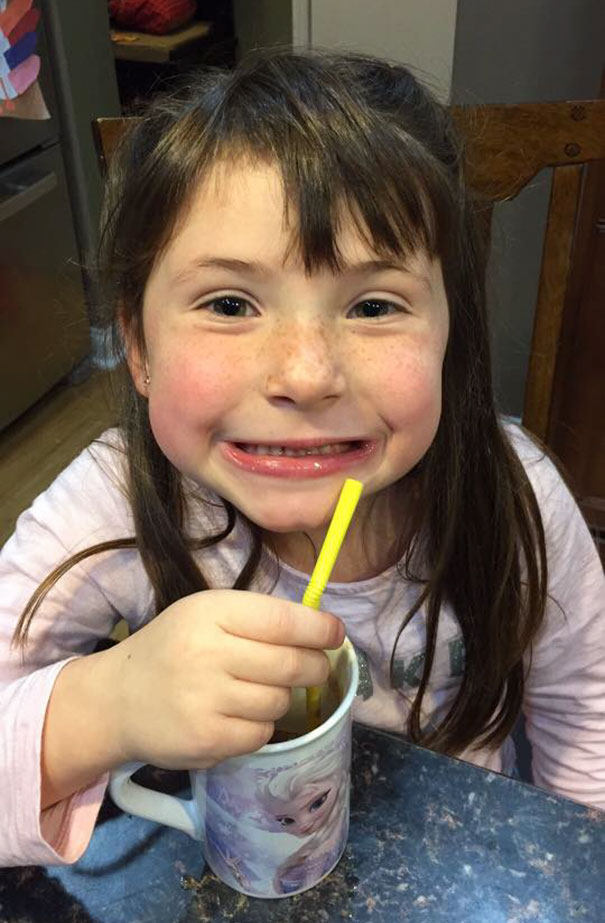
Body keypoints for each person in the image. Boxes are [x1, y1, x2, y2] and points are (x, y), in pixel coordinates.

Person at [0, 49, 603, 869]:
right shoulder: (115, 499)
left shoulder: (515, 491)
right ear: (138, 347)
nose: (306, 375)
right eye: (228, 303)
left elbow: (587, 717)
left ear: (447, 334)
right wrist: (104, 703)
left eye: (373, 304)